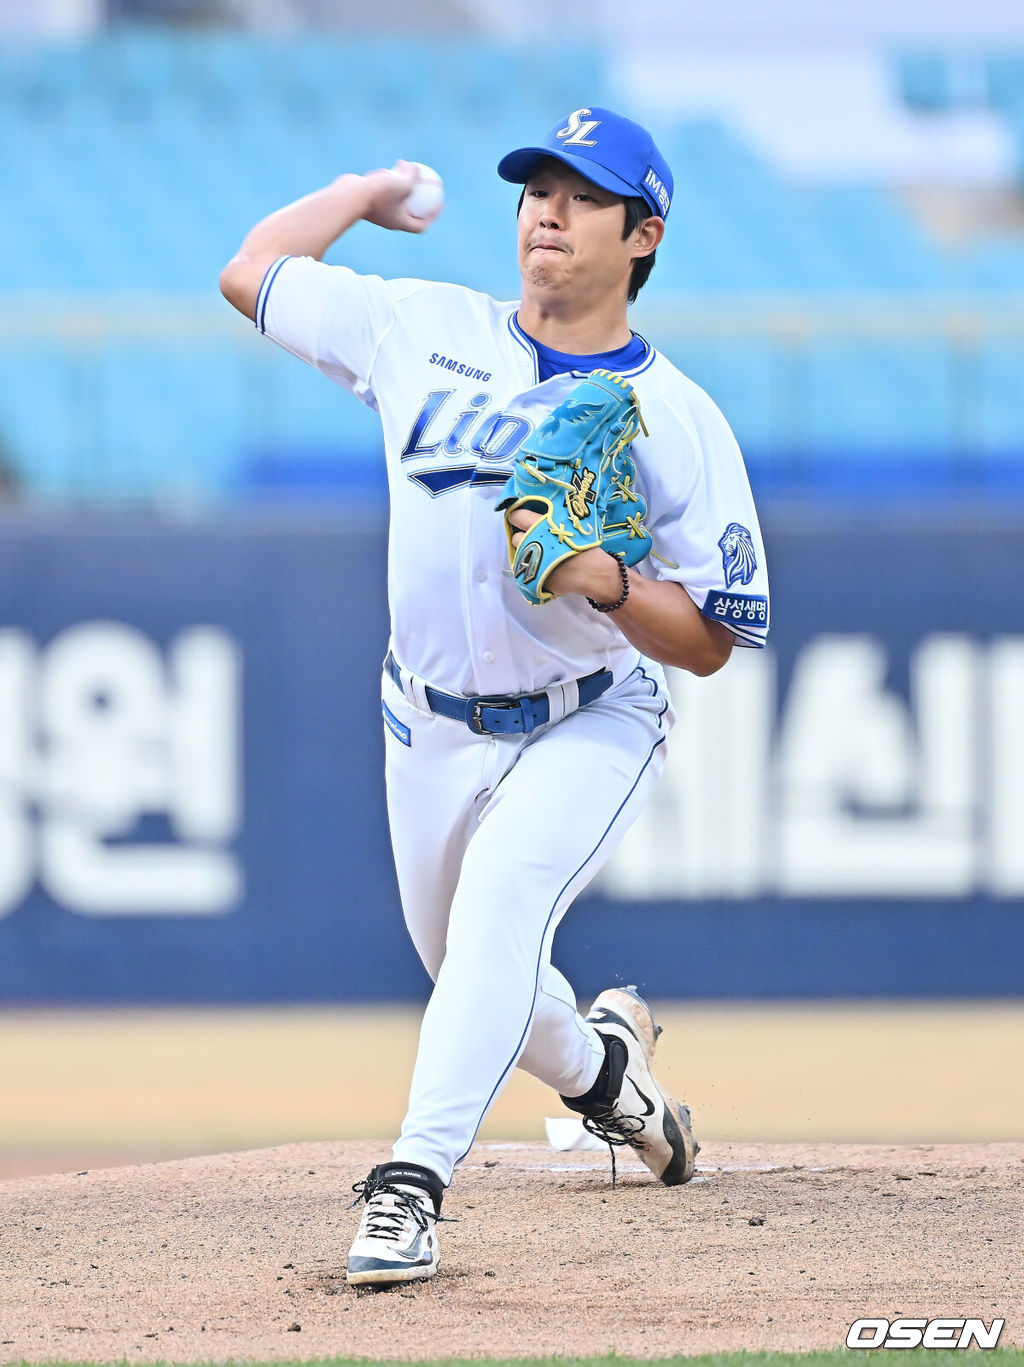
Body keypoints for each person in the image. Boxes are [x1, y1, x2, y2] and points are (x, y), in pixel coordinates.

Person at [220, 106, 770, 1287]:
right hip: (424, 721)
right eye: (536, 190)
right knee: (479, 973)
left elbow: (718, 637)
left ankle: (409, 1186)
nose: (549, 212)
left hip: (590, 711)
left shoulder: (674, 412)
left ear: (644, 233)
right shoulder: (423, 326)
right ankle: (611, 1077)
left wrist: (609, 581)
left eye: (583, 196)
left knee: (498, 920)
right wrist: (364, 190)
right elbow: (251, 269)